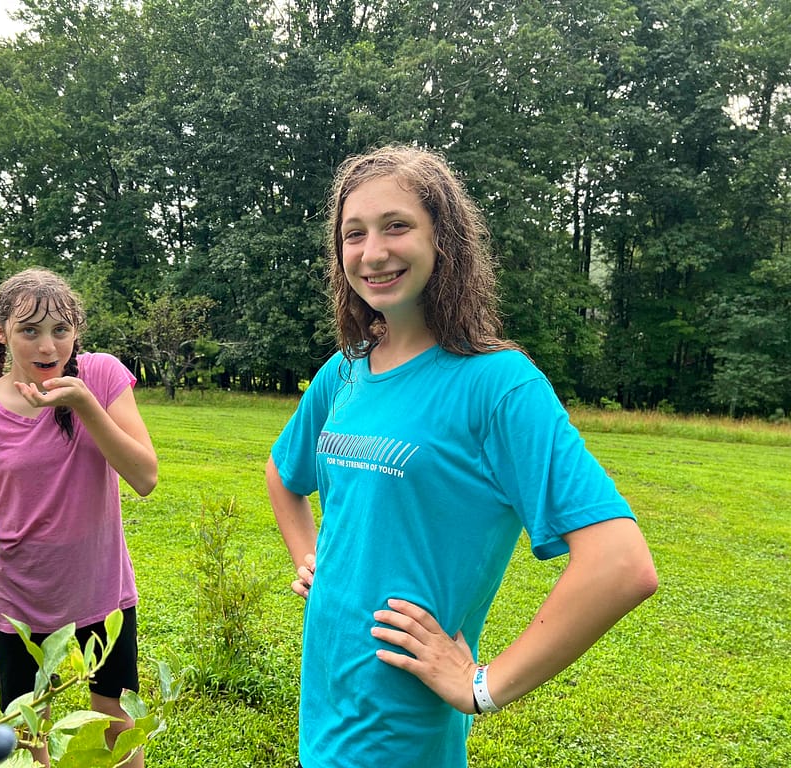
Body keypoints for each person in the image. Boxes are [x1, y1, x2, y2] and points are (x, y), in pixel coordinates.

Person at [266, 145, 658, 768]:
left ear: (443, 239)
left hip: (403, 730)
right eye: (354, 234)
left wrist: (482, 685)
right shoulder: (344, 372)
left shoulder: (499, 385)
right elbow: (284, 474)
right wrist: (311, 558)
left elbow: (620, 564)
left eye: (397, 226)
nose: (373, 252)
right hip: (326, 701)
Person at [0, 267, 157, 767]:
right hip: (21, 600)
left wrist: (81, 401)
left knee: (117, 723)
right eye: (29, 330)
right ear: (1, 331)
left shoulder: (99, 375)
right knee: (27, 733)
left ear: (76, 331)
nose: (47, 345)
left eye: (60, 329)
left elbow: (144, 477)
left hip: (101, 592)